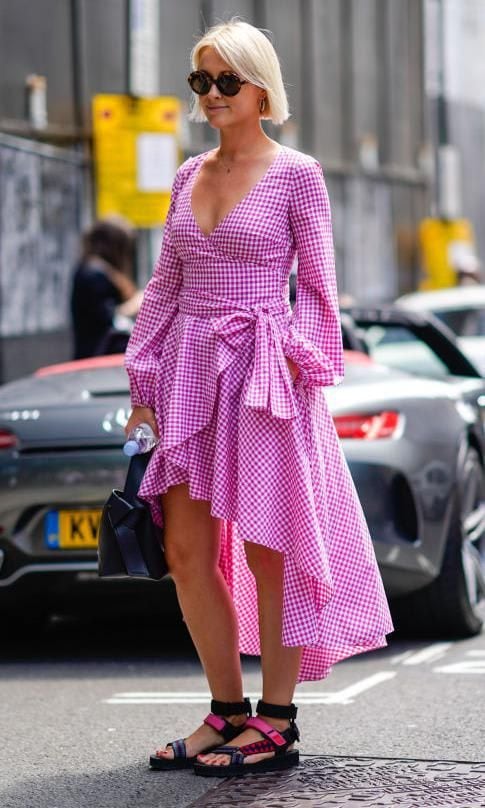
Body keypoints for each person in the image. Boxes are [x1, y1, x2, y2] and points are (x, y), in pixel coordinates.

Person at [124, 19, 393, 777]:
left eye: (225, 81)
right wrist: (142, 380)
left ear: (260, 88)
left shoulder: (297, 174)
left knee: (268, 549)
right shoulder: (186, 175)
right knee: (184, 552)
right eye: (199, 81)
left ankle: (276, 722)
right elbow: (164, 286)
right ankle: (226, 710)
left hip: (265, 374)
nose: (210, 95)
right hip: (187, 373)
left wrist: (301, 360)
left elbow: (316, 287)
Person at [71, 217, 140, 359]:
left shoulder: (97, 271)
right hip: (97, 357)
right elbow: (108, 319)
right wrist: (136, 304)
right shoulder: (92, 274)